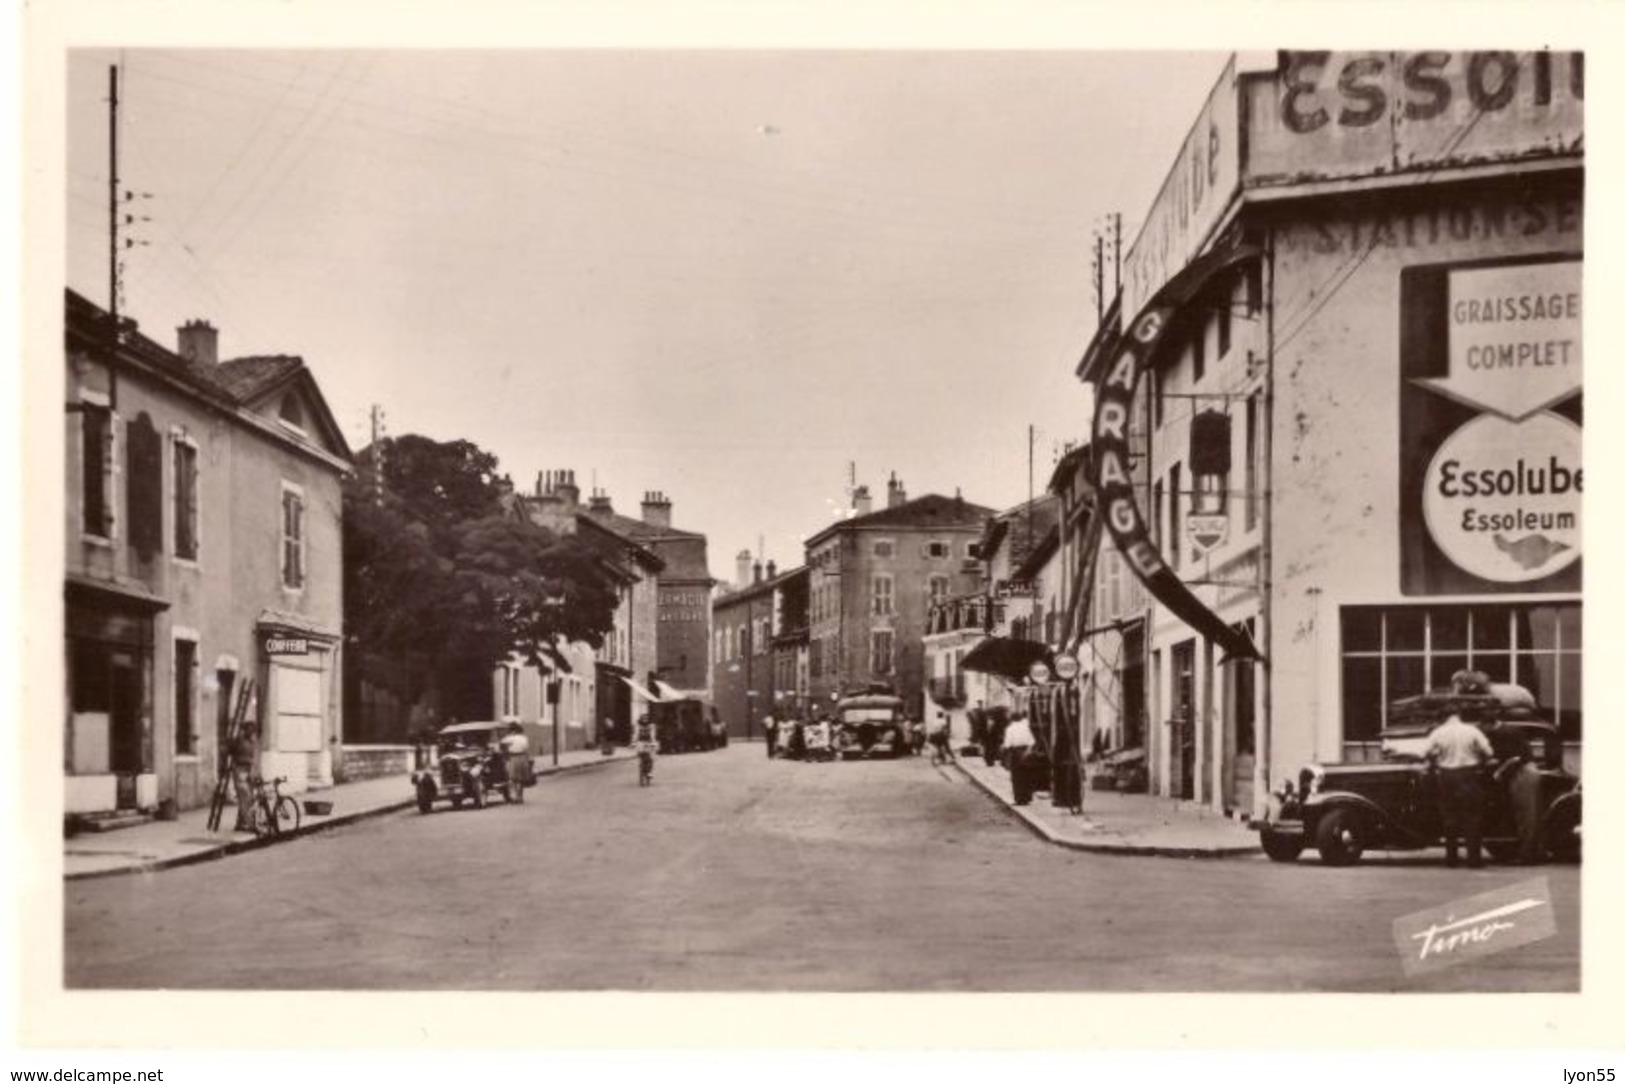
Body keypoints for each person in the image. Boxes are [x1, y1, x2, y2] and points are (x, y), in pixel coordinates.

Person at [1425, 670, 1496, 868]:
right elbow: (1488, 752)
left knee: (1450, 818)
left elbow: (1425, 753)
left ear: (1444, 717)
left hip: (1446, 777)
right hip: (1469, 776)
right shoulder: (1472, 731)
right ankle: (1474, 860)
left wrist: (1439, 757)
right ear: (1459, 715)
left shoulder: (1438, 732)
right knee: (1472, 818)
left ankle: (1451, 859)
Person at [1002, 712, 1038, 805]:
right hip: (1026, 752)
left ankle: (1019, 799)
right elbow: (1032, 741)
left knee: (1017, 777)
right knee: (1027, 775)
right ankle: (1027, 798)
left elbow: (1007, 744)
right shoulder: (1025, 728)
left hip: (1015, 753)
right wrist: (1027, 751)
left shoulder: (1010, 729)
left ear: (1011, 719)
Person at [229, 722, 259, 832]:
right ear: (245, 730)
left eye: (253, 730)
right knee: (244, 797)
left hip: (248, 771)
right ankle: (250, 824)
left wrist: (253, 771)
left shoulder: (252, 742)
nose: (251, 732)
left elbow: (253, 759)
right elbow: (230, 752)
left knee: (248, 798)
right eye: (249, 729)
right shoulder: (238, 740)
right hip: (239, 769)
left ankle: (240, 823)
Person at [499, 722, 531, 787]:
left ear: (513, 731)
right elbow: (526, 748)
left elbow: (501, 742)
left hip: (514, 757)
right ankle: (520, 794)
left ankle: (516, 792)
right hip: (523, 757)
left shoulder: (511, 738)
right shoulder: (524, 738)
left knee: (514, 778)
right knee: (521, 778)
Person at [633, 713, 657, 784]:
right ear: (641, 719)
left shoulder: (651, 726)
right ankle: (642, 769)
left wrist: (653, 742)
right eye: (643, 719)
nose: (644, 720)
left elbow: (653, 735)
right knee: (641, 756)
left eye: (646, 719)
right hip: (641, 742)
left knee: (651, 758)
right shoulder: (638, 726)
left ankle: (649, 772)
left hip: (649, 742)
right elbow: (635, 734)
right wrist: (633, 742)